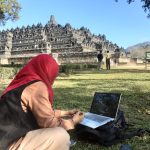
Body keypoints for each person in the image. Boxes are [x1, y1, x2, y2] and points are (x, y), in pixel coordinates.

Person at [0, 54, 84, 150]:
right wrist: (73, 121)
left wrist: (66, 113)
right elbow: (50, 124)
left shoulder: (23, 82)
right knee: (61, 136)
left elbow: (41, 112)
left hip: (6, 137)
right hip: (8, 145)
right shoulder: (37, 86)